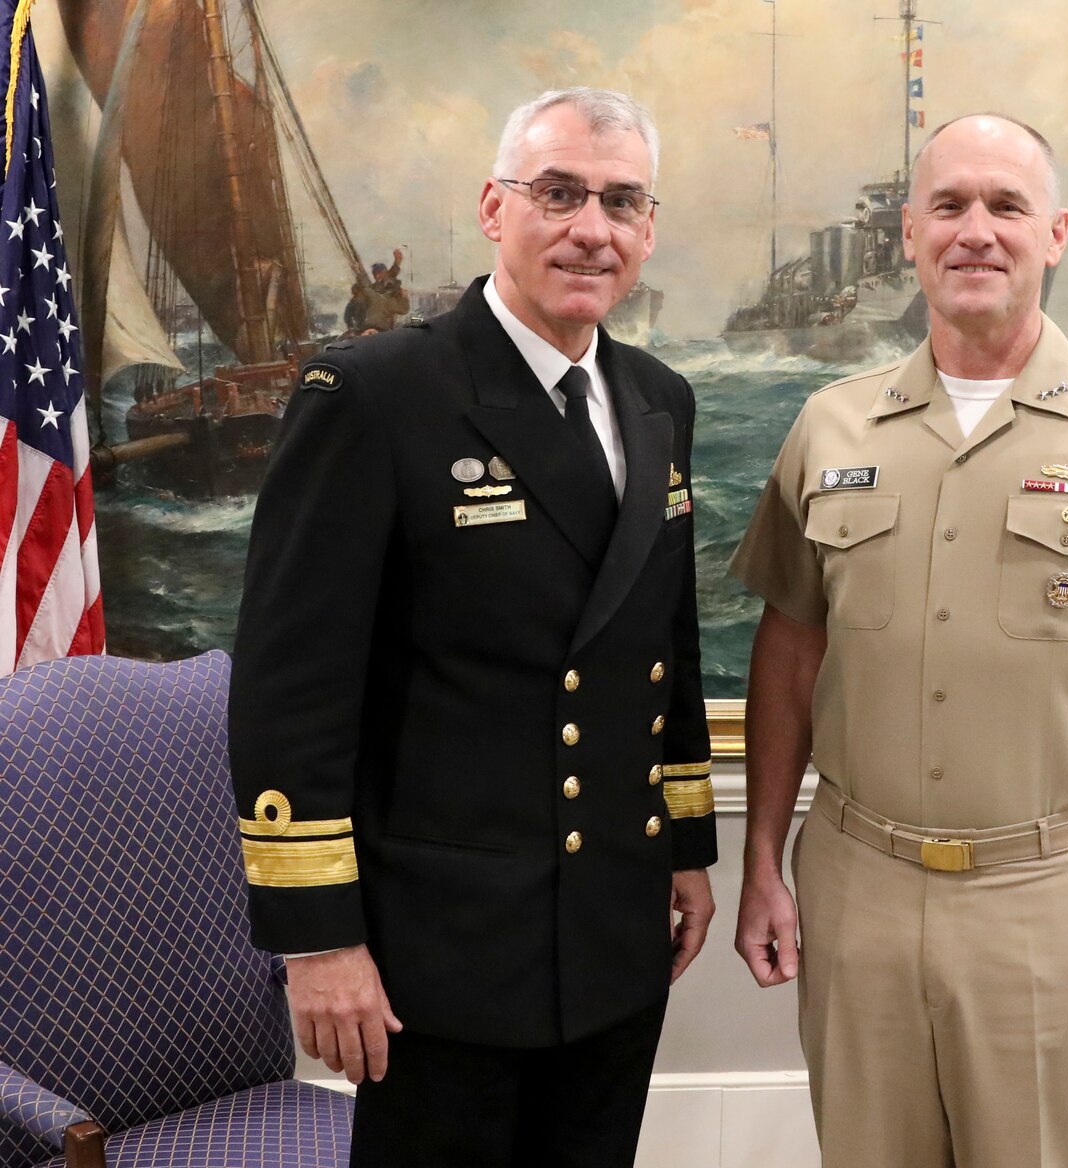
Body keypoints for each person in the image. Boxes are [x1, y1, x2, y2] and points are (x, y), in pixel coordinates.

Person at [729, 113, 1068, 1168]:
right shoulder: (829, 425)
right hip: (858, 889)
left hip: (1053, 901)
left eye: (1004, 206)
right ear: (907, 234)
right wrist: (761, 860)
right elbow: (789, 646)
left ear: (1056, 233)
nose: (973, 231)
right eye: (947, 206)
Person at [230, 87, 717, 1167]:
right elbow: (290, 691)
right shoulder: (373, 393)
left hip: (610, 926)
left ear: (646, 230)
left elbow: (662, 648)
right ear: (494, 209)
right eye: (558, 194)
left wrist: (684, 851)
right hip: (438, 951)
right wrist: (318, 940)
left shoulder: (656, 398)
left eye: (621, 201)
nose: (591, 227)